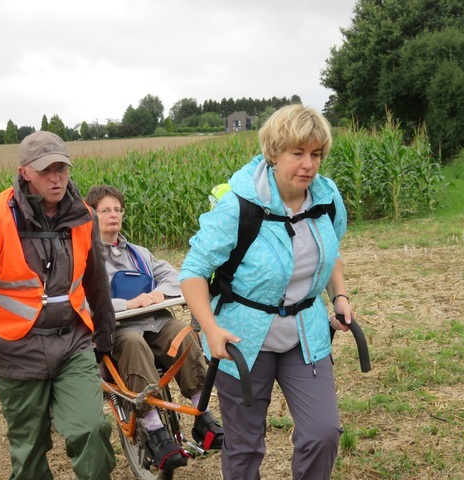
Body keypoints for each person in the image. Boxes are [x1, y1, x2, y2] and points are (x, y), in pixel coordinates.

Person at [179, 104, 353, 480]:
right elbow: (192, 272)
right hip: (242, 338)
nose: (308, 164)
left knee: (322, 433)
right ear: (273, 154)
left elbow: (332, 251)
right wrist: (210, 328)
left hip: (305, 334)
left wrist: (339, 297)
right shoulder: (239, 205)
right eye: (298, 153)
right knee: (244, 446)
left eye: (316, 154)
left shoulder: (326, 198)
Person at [0, 131, 117, 480]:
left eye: (62, 169)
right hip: (14, 351)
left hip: (72, 343)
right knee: (29, 453)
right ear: (25, 172)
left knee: (92, 429)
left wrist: (106, 336)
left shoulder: (84, 216)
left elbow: (95, 281)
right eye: (45, 170)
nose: (56, 178)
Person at [84, 184, 223, 470]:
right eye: (105, 210)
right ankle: (155, 430)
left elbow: (178, 278)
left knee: (182, 332)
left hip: (155, 322)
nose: (113, 215)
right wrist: (127, 304)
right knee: (133, 342)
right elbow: (83, 302)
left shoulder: (140, 253)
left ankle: (202, 414)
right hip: (117, 332)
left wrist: (160, 292)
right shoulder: (84, 258)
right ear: (91, 216)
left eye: (117, 210)